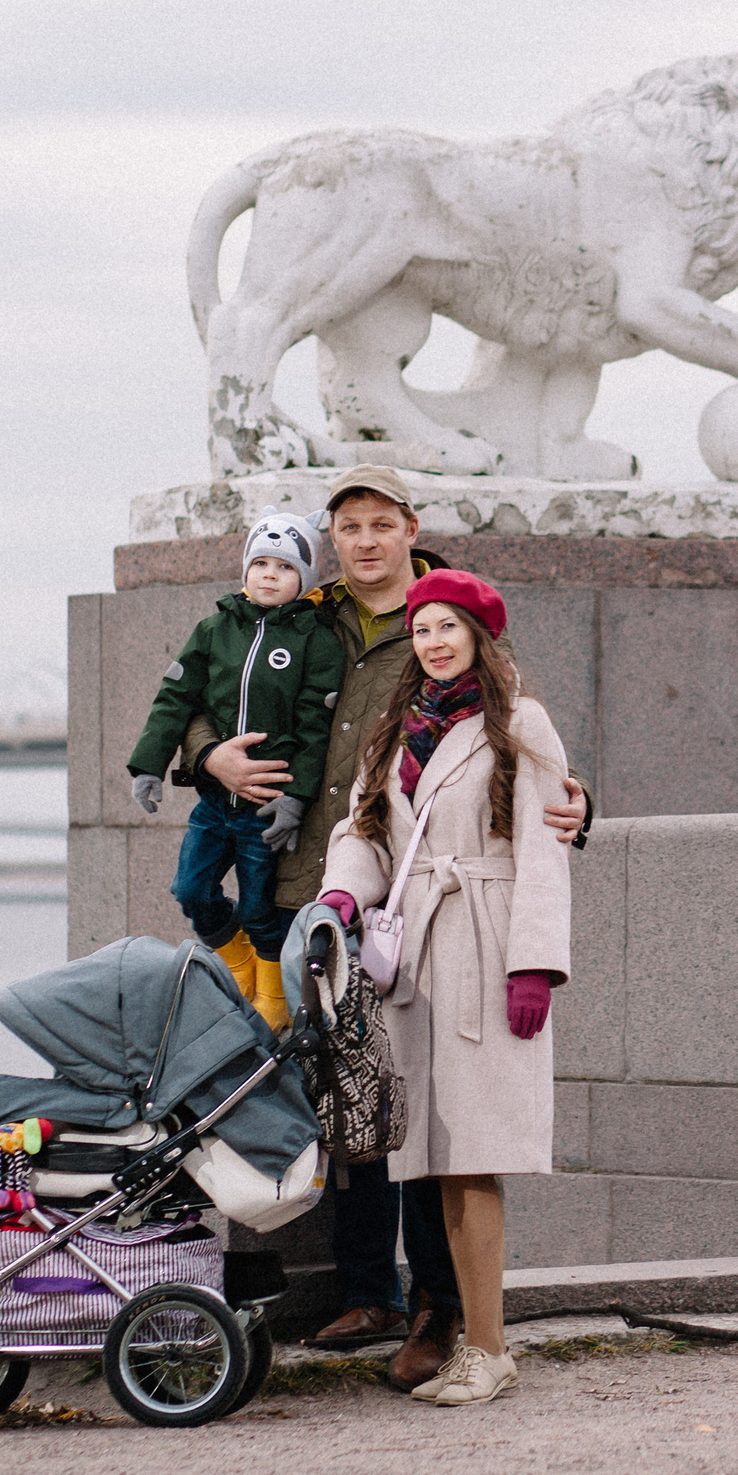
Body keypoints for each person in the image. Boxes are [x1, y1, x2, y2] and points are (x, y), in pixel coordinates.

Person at [172, 464, 588, 1391]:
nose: (431, 641)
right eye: (347, 525)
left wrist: (539, 950)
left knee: (458, 1140)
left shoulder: (500, 697)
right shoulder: (306, 625)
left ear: (410, 531)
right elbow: (224, 695)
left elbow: (535, 811)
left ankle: (453, 1319)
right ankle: (377, 1295)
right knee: (368, 1110)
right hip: (343, 905)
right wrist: (214, 764)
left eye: (380, 523)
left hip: (462, 925)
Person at [312, 568, 568, 1407]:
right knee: (429, 1159)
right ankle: (470, 1341)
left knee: (474, 1157)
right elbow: (365, 829)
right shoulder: (398, 729)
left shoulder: (520, 721)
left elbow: (544, 846)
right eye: (422, 629)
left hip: (486, 944)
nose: (433, 642)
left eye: (448, 627)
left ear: (479, 636)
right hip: (416, 952)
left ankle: (488, 1348)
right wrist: (343, 892)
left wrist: (535, 963)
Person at [123, 512, 341, 1030]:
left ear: (306, 578)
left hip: (266, 805)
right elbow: (176, 697)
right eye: (260, 563)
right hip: (215, 801)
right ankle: (237, 963)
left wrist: (296, 797)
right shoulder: (215, 629)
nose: (269, 575)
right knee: (190, 889)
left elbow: (316, 728)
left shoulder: (316, 640)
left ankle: (273, 997)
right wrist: (149, 765)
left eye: (284, 567)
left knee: (262, 908)